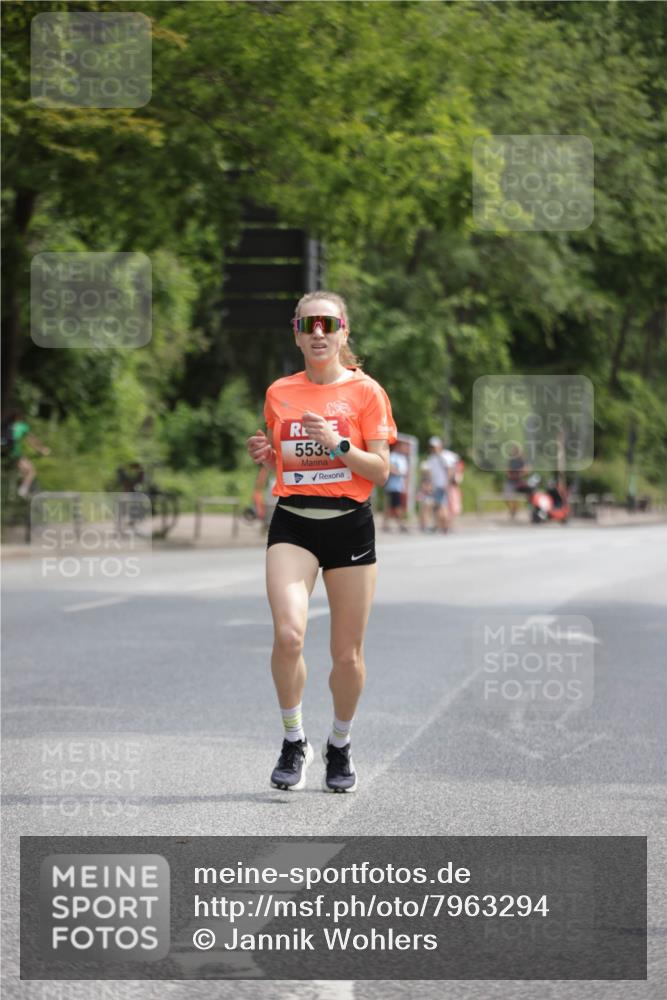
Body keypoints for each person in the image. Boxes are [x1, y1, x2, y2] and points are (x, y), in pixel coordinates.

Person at [246, 290, 397, 793]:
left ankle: (340, 743)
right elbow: (289, 460)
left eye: (327, 325)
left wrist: (339, 443)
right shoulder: (279, 391)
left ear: (343, 333)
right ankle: (294, 739)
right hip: (293, 522)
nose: (318, 333)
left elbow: (380, 469)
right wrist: (267, 455)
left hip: (349, 523)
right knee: (289, 635)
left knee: (346, 655)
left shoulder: (366, 393)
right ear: (296, 331)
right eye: (308, 324)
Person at [1, 408, 51, 498]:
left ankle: (16, 495)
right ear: (18, 417)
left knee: (22, 471)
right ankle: (22, 493)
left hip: (3, 455)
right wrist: (42, 449)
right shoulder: (21, 426)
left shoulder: (4, 425)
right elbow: (32, 440)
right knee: (31, 471)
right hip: (14, 454)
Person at [383, 443, 408, 533]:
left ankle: (386, 524)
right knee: (395, 506)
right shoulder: (393, 456)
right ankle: (401, 524)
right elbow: (388, 466)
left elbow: (405, 473)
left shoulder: (403, 458)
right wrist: (397, 472)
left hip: (399, 486)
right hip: (392, 486)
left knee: (393, 505)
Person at [426, 436, 450, 533]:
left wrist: (446, 483)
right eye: (432, 447)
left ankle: (444, 526)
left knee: (440, 505)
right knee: (438, 506)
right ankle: (441, 526)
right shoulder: (431, 458)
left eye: (435, 447)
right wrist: (430, 484)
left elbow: (448, 470)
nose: (433, 449)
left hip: (441, 485)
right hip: (435, 485)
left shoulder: (443, 457)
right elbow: (430, 473)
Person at [504, 444, 529, 519]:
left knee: (516, 497)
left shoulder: (522, 460)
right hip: (510, 480)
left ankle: (514, 511)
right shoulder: (511, 459)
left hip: (518, 480)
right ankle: (511, 509)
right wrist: (508, 473)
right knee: (506, 496)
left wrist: (521, 473)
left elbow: (526, 469)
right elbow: (507, 468)